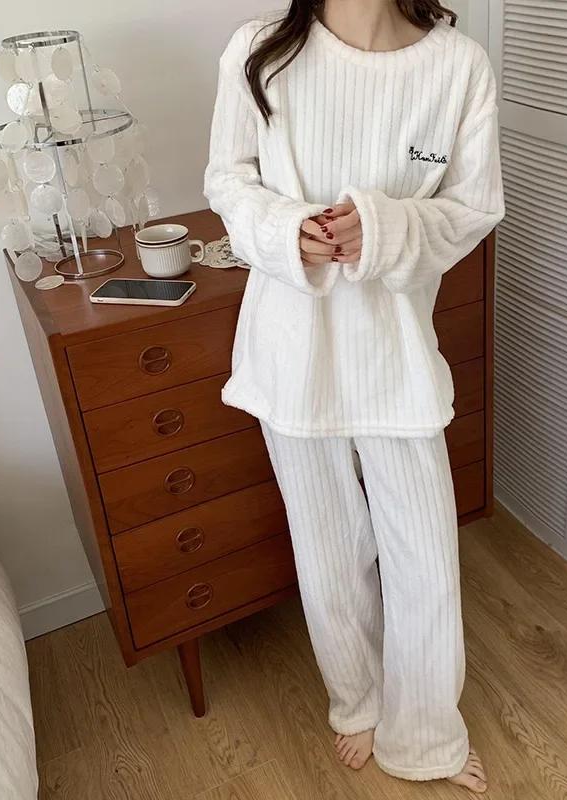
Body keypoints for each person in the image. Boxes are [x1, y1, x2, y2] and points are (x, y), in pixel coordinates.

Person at [203, 0, 504, 793]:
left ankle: (426, 733)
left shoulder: (457, 66)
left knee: (426, 557)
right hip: (290, 351)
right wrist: (285, 229)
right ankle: (357, 699)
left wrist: (387, 228)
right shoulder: (259, 52)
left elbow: (474, 207)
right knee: (329, 544)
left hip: (396, 355)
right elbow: (227, 179)